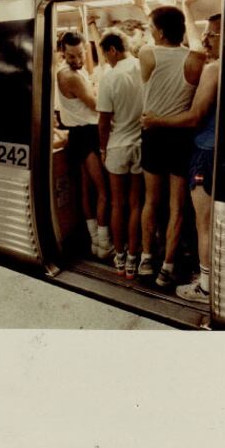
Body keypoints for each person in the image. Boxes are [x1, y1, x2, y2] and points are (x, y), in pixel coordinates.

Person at [141, 11, 222, 302]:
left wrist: (156, 119)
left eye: (211, 33)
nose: (205, 39)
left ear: (160, 32)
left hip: (166, 135)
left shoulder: (147, 54)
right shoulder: (199, 61)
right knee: (178, 208)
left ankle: (147, 259)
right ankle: (168, 267)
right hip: (184, 142)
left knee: (155, 202)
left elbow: (194, 115)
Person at [56, 31, 112, 258]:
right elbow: (96, 104)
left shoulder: (70, 72)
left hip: (78, 135)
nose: (77, 60)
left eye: (80, 54)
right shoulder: (71, 76)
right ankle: (104, 242)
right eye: (71, 56)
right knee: (103, 191)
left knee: (86, 189)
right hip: (87, 135)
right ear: (63, 53)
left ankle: (95, 242)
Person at [96, 29, 144, 279]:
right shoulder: (143, 67)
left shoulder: (110, 77)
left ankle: (120, 257)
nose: (105, 60)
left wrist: (103, 149)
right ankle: (134, 259)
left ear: (112, 50)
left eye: (105, 55)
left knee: (117, 203)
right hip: (141, 144)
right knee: (137, 204)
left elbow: (104, 120)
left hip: (117, 146)